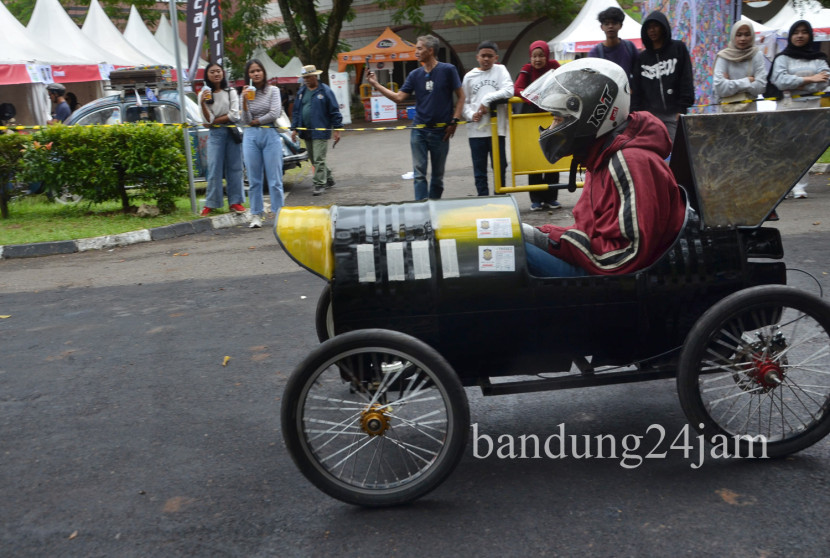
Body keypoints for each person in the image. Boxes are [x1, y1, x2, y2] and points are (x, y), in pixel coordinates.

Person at [520, 58, 686, 277]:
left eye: (558, 119)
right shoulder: (600, 157)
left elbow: (626, 254)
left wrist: (551, 240)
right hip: (598, 262)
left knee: (509, 255)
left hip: (614, 280)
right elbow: (591, 233)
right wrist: (543, 234)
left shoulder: (630, 163)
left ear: (592, 115)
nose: (552, 127)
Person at [367, 34, 464, 200]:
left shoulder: (448, 70)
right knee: (419, 174)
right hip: (419, 130)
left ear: (430, 50)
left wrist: (455, 120)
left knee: (437, 177)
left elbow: (461, 96)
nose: (416, 51)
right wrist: (376, 85)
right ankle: (421, 210)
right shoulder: (414, 74)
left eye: (419, 48)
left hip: (441, 132)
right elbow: (399, 98)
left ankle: (434, 206)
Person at [768, 20, 829, 199]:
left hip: (812, 107)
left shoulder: (819, 57)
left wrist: (796, 81)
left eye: (804, 32)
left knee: (806, 148)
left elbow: (825, 80)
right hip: (788, 106)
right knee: (786, 147)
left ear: (810, 35)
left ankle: (800, 187)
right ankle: (784, 186)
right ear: (790, 36)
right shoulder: (782, 58)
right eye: (796, 32)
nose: (800, 36)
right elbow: (779, 81)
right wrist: (810, 79)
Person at [631, 11, 694, 143]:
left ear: (663, 27)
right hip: (650, 117)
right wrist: (637, 114)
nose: (652, 30)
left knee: (675, 153)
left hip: (674, 115)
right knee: (654, 153)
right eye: (648, 27)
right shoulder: (643, 58)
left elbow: (686, 78)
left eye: (656, 26)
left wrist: (682, 108)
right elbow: (637, 89)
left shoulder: (678, 48)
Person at [461, 41, 514, 196]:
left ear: (496, 57)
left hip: (498, 130)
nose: (486, 59)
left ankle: (500, 196)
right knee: (479, 169)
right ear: (477, 57)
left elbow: (509, 90)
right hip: (476, 131)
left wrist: (487, 100)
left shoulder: (501, 70)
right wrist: (471, 114)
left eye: (490, 56)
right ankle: (482, 198)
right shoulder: (469, 76)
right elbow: (464, 102)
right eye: (483, 56)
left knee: (500, 166)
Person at [514, 40, 562, 211]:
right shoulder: (527, 69)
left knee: (551, 155)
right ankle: (536, 199)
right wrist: (532, 97)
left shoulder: (554, 65)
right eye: (534, 56)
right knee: (534, 158)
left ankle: (551, 198)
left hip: (552, 117)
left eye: (541, 55)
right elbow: (517, 88)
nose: (538, 59)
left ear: (547, 55)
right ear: (530, 57)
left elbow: (564, 81)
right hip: (531, 119)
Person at [240, 58, 283, 229]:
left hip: (270, 134)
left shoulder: (273, 91)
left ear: (264, 72)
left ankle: (279, 214)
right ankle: (256, 214)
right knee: (254, 179)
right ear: (248, 75)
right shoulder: (245, 92)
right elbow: (244, 120)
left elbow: (275, 113)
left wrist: (257, 121)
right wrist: (244, 101)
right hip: (250, 136)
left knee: (275, 178)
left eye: (258, 70)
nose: (256, 74)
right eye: (252, 71)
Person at [197, 62, 245, 216]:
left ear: (223, 73)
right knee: (213, 168)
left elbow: (234, 115)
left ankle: (235, 202)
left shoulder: (230, 91)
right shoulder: (203, 94)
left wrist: (214, 121)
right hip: (215, 135)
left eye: (218, 71)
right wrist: (203, 103)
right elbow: (207, 118)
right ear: (207, 75)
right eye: (212, 72)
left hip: (231, 132)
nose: (216, 74)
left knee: (235, 168)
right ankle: (211, 203)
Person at [291, 65, 343, 196]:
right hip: (306, 130)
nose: (306, 80)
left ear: (315, 76)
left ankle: (320, 184)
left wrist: (337, 129)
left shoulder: (325, 91)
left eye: (308, 77)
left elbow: (334, 110)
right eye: (304, 77)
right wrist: (294, 129)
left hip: (320, 130)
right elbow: (296, 111)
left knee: (319, 158)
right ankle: (329, 178)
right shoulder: (301, 92)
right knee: (314, 159)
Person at [713, 19, 767, 113]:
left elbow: (761, 87)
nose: (743, 38)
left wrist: (730, 84)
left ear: (752, 36)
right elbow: (720, 88)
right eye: (738, 35)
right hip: (726, 112)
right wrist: (748, 81)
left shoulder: (756, 55)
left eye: (747, 34)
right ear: (733, 36)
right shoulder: (724, 56)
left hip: (750, 112)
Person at [588, 7, 639, 81]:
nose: (610, 26)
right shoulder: (595, 53)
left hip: (628, 91)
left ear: (620, 26)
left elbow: (638, 74)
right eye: (607, 24)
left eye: (614, 23)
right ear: (602, 27)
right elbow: (592, 79)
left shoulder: (629, 47)